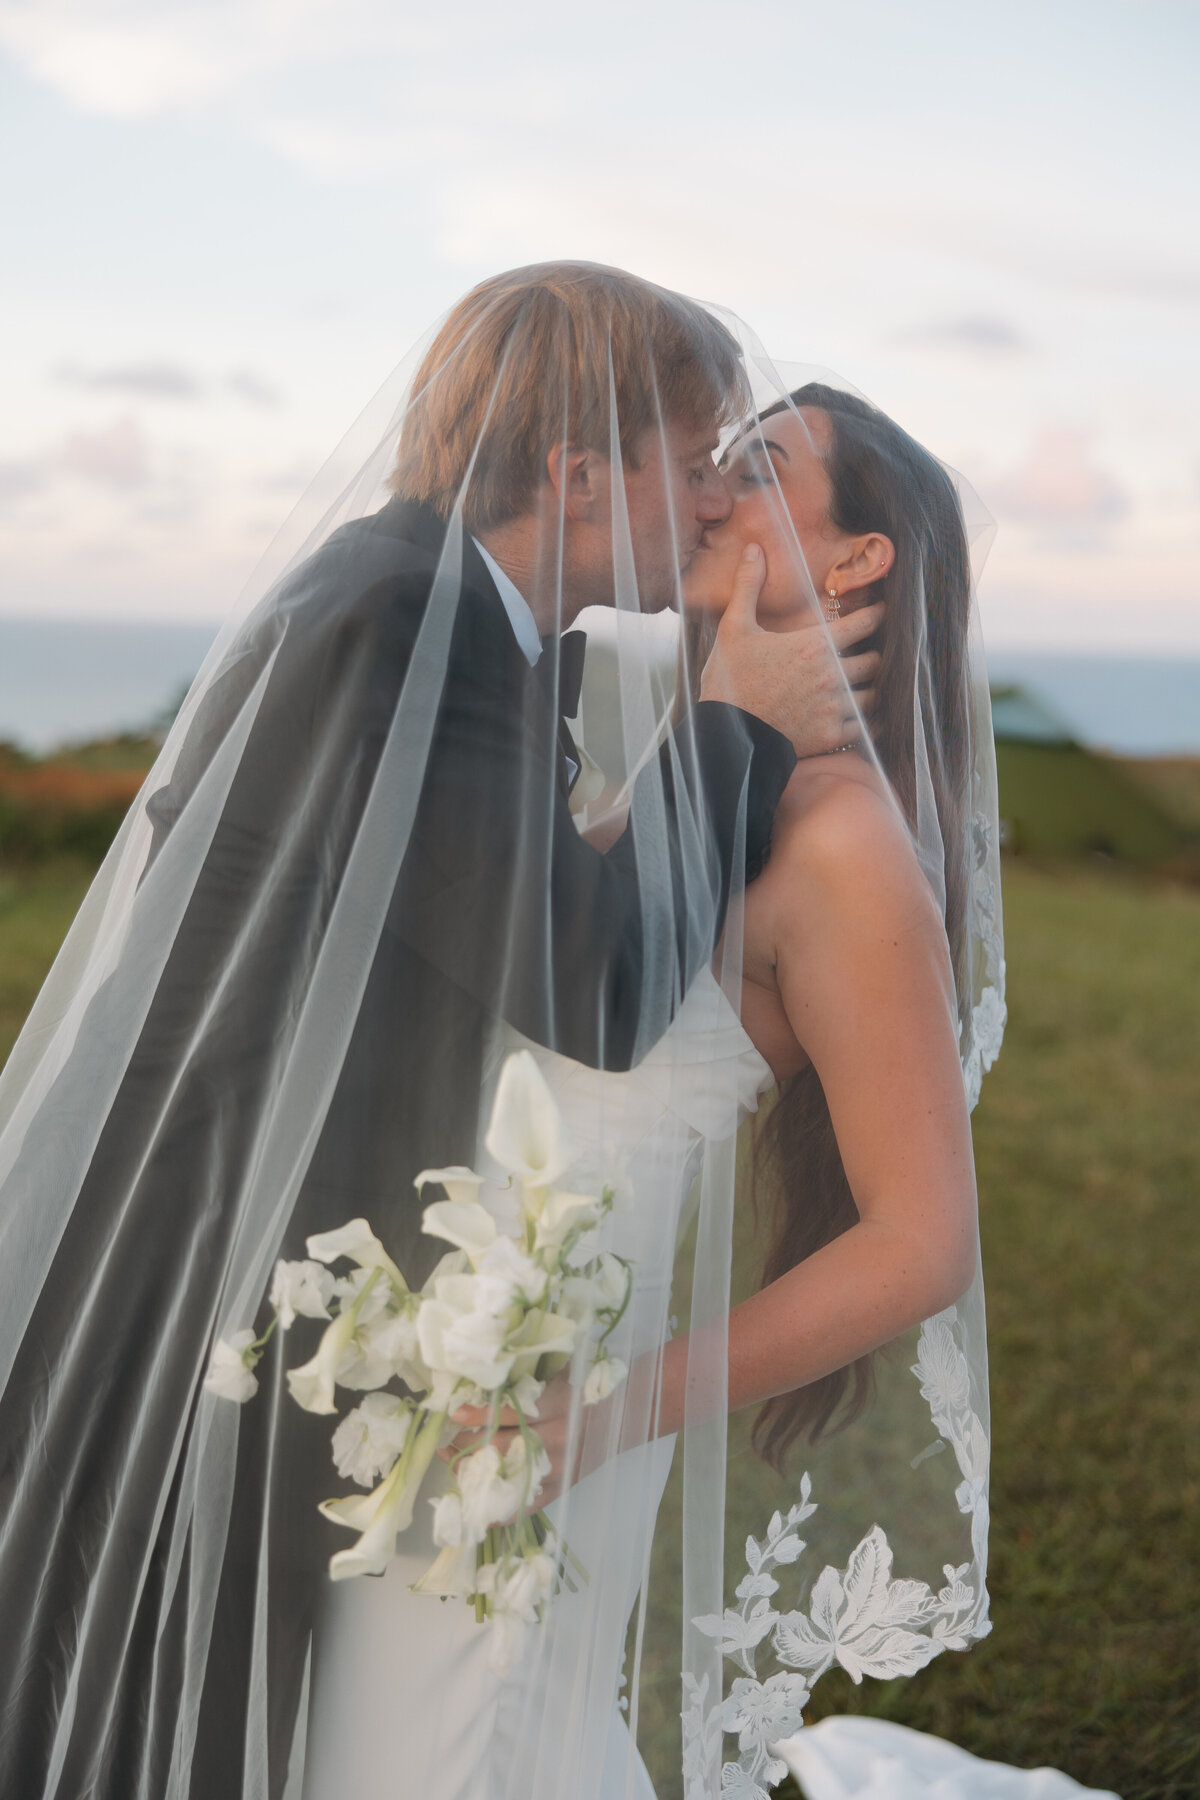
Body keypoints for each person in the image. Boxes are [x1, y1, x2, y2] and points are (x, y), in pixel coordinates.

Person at [0, 268, 882, 1799]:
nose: (711, 504)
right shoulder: (395, 628)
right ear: (580, 473)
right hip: (195, 1283)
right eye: (691, 466)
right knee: (139, 1713)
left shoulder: (444, 614)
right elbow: (590, 982)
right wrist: (742, 721)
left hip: (261, 1264)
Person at [299, 379, 1006, 1798]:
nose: (707, 492)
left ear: (859, 559)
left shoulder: (846, 844)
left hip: (558, 1399)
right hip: (433, 1365)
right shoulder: (698, 770)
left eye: (758, 469)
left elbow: (920, 1239)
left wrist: (609, 1411)